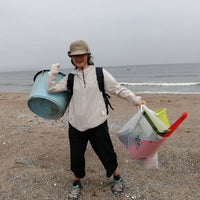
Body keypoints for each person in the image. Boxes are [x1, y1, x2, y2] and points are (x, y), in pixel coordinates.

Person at [47, 40, 146, 200]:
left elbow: (117, 89)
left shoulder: (100, 73)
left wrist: (135, 100)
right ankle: (76, 184)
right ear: (71, 58)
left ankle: (117, 178)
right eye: (75, 56)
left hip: (97, 123)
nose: (78, 58)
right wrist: (53, 71)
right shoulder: (71, 78)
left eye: (81, 55)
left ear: (88, 55)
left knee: (106, 152)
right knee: (76, 156)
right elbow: (51, 88)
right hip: (76, 125)